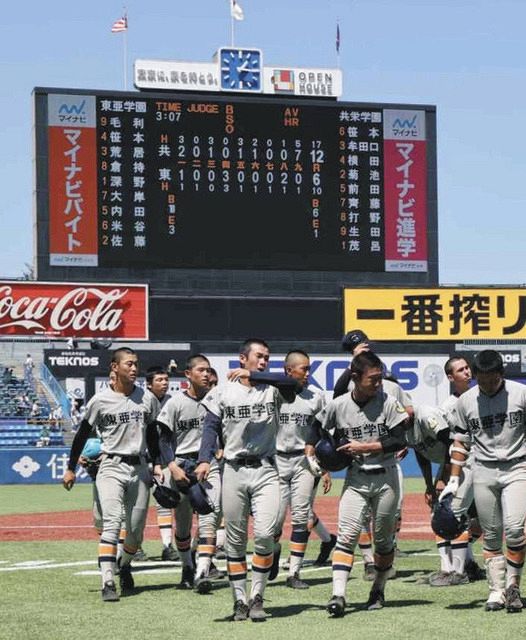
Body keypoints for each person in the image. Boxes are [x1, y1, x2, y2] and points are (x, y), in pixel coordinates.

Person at [195, 338, 300, 622]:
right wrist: (205, 458)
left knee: (266, 534)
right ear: (243, 358)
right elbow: (210, 427)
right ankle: (240, 600)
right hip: (233, 470)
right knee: (235, 541)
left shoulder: (272, 390)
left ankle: (258, 596)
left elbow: (293, 384)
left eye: (267, 357)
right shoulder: (223, 392)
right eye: (259, 357)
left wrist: (254, 375)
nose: (265, 360)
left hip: (266, 469)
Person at [62, 347, 160, 602]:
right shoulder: (100, 400)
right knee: (112, 524)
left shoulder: (147, 398)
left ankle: (124, 564)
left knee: (136, 534)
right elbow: (82, 434)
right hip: (111, 466)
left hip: (139, 467)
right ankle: (107, 581)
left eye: (136, 363)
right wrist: (71, 468)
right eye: (128, 363)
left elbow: (152, 435)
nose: (134, 368)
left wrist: (158, 463)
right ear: (114, 367)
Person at [318, 351, 409, 618]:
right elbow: (318, 428)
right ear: (355, 378)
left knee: (383, 542)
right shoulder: (339, 404)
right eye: (373, 379)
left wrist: (364, 446)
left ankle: (378, 588)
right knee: (346, 536)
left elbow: (399, 439)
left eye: (380, 378)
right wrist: (320, 454)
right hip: (356, 477)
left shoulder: (389, 402)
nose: (379, 383)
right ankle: (338, 595)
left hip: (386, 477)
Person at [442, 349, 526, 613]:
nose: (487, 385)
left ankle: (513, 586)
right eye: (482, 380)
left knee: (513, 528)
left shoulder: (520, 394)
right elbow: (460, 442)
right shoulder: (466, 401)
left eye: (492, 380)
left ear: (501, 374)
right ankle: (496, 590)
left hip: (517, 466)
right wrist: (454, 481)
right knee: (490, 534)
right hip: (483, 469)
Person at [154, 354, 221, 593]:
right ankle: (187, 567)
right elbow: (163, 439)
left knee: (209, 515)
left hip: (209, 464)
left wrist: (220, 450)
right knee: (182, 527)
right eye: (201, 370)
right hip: (180, 465)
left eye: (208, 370)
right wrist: (171, 466)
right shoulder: (174, 403)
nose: (206, 374)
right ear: (188, 374)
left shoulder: (217, 400)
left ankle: (203, 571)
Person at [272, 349, 330, 589]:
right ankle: (273, 553)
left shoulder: (316, 396)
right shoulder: (273, 394)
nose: (308, 372)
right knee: (272, 521)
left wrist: (324, 466)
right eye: (303, 368)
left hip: (303, 462)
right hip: (275, 460)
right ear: (289, 371)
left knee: (300, 517)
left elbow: (324, 432)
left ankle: (294, 573)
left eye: (309, 368)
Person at [427, 356, 483, 587]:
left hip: (486, 465)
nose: (467, 372)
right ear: (450, 377)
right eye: (461, 370)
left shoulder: (482, 396)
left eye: (468, 368)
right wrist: (443, 478)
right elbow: (448, 447)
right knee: (452, 514)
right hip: (461, 468)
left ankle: (466, 561)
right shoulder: (448, 407)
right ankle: (456, 569)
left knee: (482, 521)